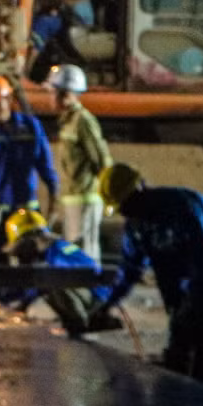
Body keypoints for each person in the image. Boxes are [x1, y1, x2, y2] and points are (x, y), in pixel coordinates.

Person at [89, 162, 203, 382]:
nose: (125, 212)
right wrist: (107, 303)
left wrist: (192, 302)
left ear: (139, 190)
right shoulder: (137, 227)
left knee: (197, 315)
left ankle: (197, 377)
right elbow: (129, 271)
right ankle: (178, 371)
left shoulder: (181, 207)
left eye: (125, 204)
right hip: (181, 262)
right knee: (178, 315)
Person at [0, 75, 58, 258]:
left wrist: (54, 201)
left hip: (27, 212)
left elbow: (46, 168)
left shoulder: (30, 127)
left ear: (8, 99)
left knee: (32, 263)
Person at [0, 209, 109, 337]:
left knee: (52, 282)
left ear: (31, 238)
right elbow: (33, 290)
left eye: (21, 246)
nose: (21, 254)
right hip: (82, 294)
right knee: (47, 286)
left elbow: (85, 273)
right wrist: (16, 307)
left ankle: (80, 325)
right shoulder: (46, 255)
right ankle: (73, 324)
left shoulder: (58, 251)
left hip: (95, 297)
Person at [45, 63, 113, 262]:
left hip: (85, 198)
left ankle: (92, 283)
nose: (49, 98)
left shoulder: (83, 121)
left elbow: (101, 160)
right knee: (75, 255)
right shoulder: (68, 122)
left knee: (85, 256)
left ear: (65, 94)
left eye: (53, 92)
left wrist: (108, 195)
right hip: (74, 198)